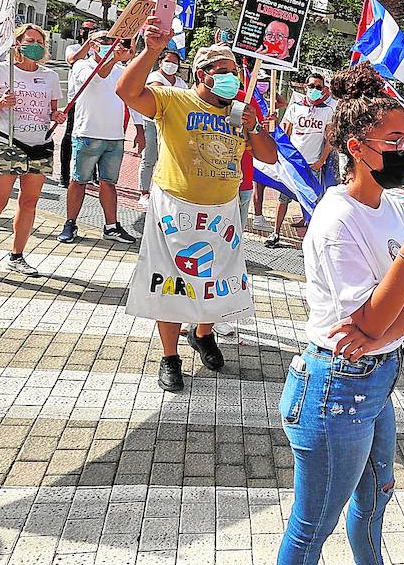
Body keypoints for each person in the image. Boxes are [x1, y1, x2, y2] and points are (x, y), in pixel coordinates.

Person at [273, 65, 404, 565]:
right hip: (335, 386)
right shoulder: (335, 218)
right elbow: (380, 306)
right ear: (356, 148)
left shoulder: (392, 209)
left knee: (377, 489)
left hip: (376, 374)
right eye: (393, 142)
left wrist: (379, 332)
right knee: (313, 520)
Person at [116, 24, 277, 392]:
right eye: (222, 71)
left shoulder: (242, 111)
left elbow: (268, 155)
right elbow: (126, 91)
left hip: (223, 211)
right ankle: (169, 356)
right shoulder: (174, 99)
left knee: (215, 282)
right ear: (202, 74)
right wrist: (151, 50)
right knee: (170, 285)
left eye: (233, 71)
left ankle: (203, 334)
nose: (230, 78)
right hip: (175, 207)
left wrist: (253, 129)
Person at [0, 24, 65, 282]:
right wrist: (0, 103)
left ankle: (17, 256)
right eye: (30, 40)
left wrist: (57, 116)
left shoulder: (50, 77)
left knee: (29, 203)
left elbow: (51, 111)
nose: (35, 45)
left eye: (40, 42)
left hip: (40, 145)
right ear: (17, 44)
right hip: (6, 143)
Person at [59, 36, 137, 245]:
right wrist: (114, 60)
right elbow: (98, 76)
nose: (109, 43)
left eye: (112, 40)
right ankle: (70, 222)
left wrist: (138, 128)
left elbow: (132, 96)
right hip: (87, 133)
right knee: (78, 181)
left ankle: (111, 226)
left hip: (115, 137)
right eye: (103, 40)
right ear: (93, 45)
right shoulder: (82, 65)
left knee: (109, 183)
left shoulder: (121, 70)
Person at [271, 72, 335, 238]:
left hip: (312, 165)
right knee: (283, 198)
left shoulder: (327, 112)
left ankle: (310, 237)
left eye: (318, 87)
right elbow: (285, 133)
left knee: (311, 201)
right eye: (311, 86)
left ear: (324, 90)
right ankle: (276, 233)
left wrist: (321, 161)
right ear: (306, 87)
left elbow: (330, 139)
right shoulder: (295, 108)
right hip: (293, 164)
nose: (314, 89)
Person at [138, 49, 188, 204]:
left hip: (173, 125)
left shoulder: (180, 82)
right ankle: (144, 192)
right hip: (153, 123)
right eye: (167, 61)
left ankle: (161, 191)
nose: (170, 65)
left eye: (174, 62)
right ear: (160, 62)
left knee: (167, 159)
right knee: (150, 158)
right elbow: (159, 93)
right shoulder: (155, 77)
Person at [60, 20, 99, 186]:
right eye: (85, 29)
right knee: (70, 136)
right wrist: (88, 44)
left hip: (95, 101)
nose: (88, 31)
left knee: (95, 136)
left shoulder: (99, 50)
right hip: (75, 99)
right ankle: (64, 175)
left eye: (92, 29)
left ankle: (93, 174)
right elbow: (73, 59)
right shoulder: (74, 48)